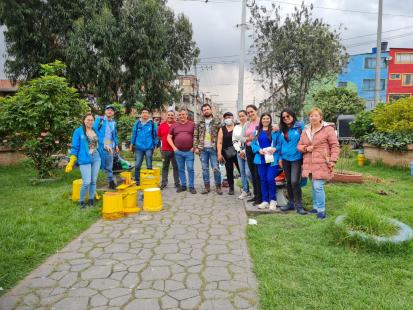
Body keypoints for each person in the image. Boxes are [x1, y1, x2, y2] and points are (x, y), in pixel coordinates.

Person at [298, 108, 340, 219]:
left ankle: (321, 210)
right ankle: (316, 207)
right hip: (309, 162)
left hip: (322, 162)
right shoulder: (305, 130)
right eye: (311, 116)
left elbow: (335, 145)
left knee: (318, 186)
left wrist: (333, 160)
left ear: (321, 117)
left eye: (316, 115)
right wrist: (306, 148)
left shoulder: (328, 129)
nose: (313, 117)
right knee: (313, 186)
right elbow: (299, 146)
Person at [66, 113, 103, 208]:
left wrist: (107, 145)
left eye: (92, 120)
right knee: (86, 181)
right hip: (84, 158)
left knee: (93, 181)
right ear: (84, 120)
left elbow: (101, 141)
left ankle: (91, 200)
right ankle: (81, 201)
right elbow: (75, 147)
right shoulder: (78, 131)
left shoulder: (95, 130)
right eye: (88, 120)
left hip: (96, 157)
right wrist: (71, 160)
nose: (90, 122)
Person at [278, 108, 306, 215]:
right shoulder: (282, 129)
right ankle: (290, 203)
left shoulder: (300, 126)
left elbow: (306, 139)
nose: (285, 118)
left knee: (295, 181)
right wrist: (280, 157)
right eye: (283, 117)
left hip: (297, 158)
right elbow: (280, 144)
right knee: (288, 181)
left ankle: (299, 205)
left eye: (287, 116)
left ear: (292, 115)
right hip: (285, 159)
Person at [251, 113, 281, 210]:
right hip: (261, 159)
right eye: (264, 118)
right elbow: (253, 144)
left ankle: (273, 200)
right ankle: (265, 201)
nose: (266, 120)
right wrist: (258, 150)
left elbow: (280, 144)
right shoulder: (256, 132)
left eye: (268, 118)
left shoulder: (275, 131)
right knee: (263, 180)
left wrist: (275, 149)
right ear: (261, 120)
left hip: (272, 159)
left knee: (270, 179)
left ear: (270, 120)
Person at [193, 103, 222, 195]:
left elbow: (221, 136)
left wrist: (220, 150)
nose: (206, 111)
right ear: (202, 111)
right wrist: (196, 147)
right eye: (204, 110)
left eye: (207, 109)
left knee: (216, 168)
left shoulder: (217, 121)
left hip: (213, 149)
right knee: (205, 169)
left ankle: (218, 187)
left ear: (211, 110)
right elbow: (195, 135)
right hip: (203, 149)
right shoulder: (199, 122)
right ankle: (207, 187)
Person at [167, 108, 196, 194]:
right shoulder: (174, 125)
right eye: (180, 115)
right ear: (178, 116)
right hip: (178, 152)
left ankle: (191, 186)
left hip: (189, 152)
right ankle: (183, 185)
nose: (181, 116)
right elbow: (169, 137)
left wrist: (194, 147)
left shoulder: (192, 124)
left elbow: (196, 136)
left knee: (190, 168)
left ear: (187, 115)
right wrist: (174, 148)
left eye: (183, 114)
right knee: (181, 169)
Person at [130, 107, 159, 185]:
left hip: (149, 148)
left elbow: (156, 136)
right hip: (138, 148)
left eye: (146, 112)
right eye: (143, 112)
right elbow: (134, 134)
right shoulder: (137, 123)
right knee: (137, 164)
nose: (145, 114)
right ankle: (137, 180)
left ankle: (149, 181)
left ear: (149, 114)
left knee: (149, 164)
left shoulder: (152, 124)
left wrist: (156, 147)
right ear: (141, 114)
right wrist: (131, 144)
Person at [93, 105, 119, 189]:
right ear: (105, 112)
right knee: (95, 165)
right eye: (108, 110)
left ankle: (111, 183)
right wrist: (102, 144)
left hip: (109, 146)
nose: (109, 111)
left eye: (111, 110)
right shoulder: (99, 120)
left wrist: (116, 145)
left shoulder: (113, 123)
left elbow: (113, 135)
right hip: (98, 146)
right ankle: (92, 184)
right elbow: (93, 132)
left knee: (109, 166)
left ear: (113, 113)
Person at [217, 112, 240, 195]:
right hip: (227, 152)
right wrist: (219, 154)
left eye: (229, 117)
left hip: (238, 152)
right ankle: (231, 187)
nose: (228, 119)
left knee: (242, 170)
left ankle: (246, 187)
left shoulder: (238, 127)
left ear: (233, 117)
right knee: (229, 170)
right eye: (226, 118)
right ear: (224, 119)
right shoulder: (222, 129)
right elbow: (219, 142)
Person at [157, 110, 180, 190]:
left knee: (176, 167)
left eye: (172, 115)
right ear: (166, 116)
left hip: (175, 150)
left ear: (174, 116)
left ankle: (177, 183)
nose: (170, 116)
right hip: (165, 150)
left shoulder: (177, 125)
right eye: (169, 115)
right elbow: (159, 136)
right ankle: (164, 183)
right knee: (165, 167)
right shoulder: (161, 125)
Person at [244, 104, 262, 206]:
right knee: (252, 174)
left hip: (258, 150)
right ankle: (256, 195)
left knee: (257, 174)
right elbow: (242, 137)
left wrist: (253, 138)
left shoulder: (262, 121)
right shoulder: (247, 124)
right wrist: (248, 139)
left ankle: (260, 197)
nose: (250, 114)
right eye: (248, 112)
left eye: (252, 111)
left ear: (256, 110)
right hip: (248, 149)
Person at [232, 110, 252, 199]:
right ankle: (245, 190)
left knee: (249, 173)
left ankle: (256, 190)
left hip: (248, 152)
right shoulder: (236, 127)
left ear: (247, 116)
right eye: (239, 116)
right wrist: (239, 151)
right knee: (242, 172)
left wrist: (244, 151)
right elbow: (234, 140)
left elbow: (251, 139)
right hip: (239, 153)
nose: (241, 118)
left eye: (243, 116)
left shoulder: (250, 126)